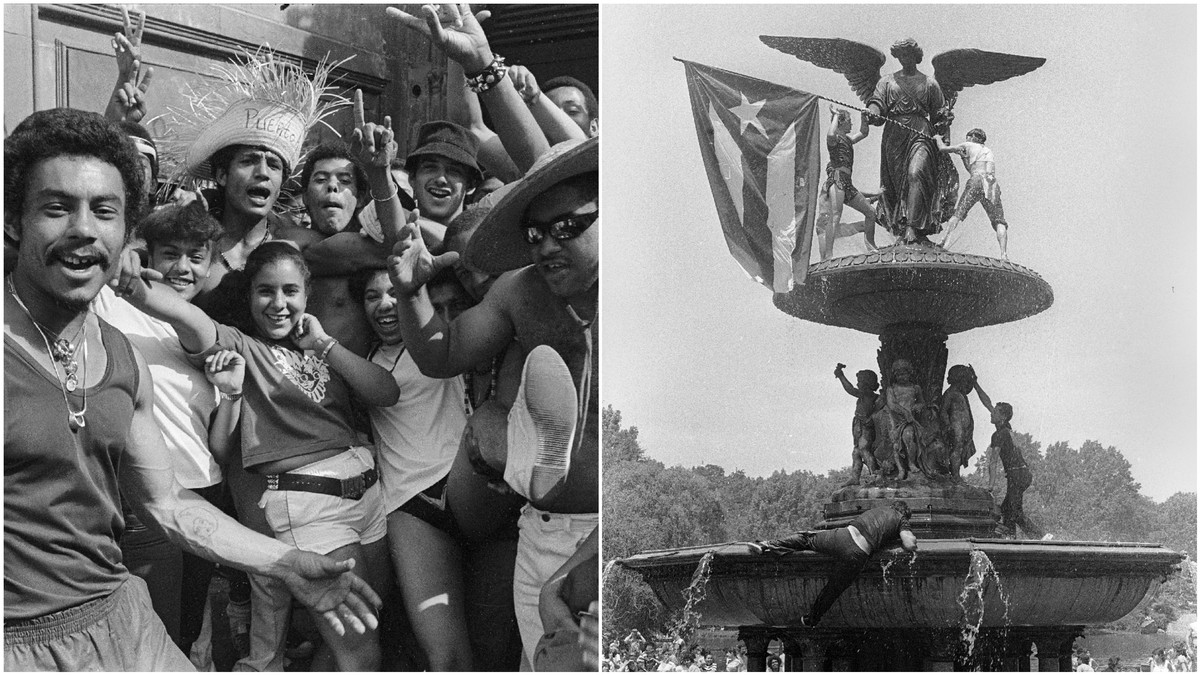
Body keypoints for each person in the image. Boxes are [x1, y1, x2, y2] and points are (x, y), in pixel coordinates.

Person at [2, 106, 381, 671]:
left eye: (104, 210)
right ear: (12, 222)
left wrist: (284, 562)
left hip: (122, 620)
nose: (84, 228)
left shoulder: (119, 354)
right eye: (57, 208)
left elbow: (169, 504)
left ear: (126, 232)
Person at [112, 239, 399, 671]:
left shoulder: (318, 347)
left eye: (290, 291)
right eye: (266, 291)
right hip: (312, 508)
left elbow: (386, 391)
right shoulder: (242, 347)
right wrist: (133, 286)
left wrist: (324, 344)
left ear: (307, 296)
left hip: (367, 496)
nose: (279, 303)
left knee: (352, 634)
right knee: (361, 651)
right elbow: (191, 320)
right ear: (249, 296)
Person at [91, 200, 228, 659]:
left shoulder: (205, 327)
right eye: (171, 253)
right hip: (132, 495)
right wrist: (121, 255)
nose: (183, 267)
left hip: (200, 489)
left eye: (197, 256)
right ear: (150, 254)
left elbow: (195, 329)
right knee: (140, 631)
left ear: (212, 265)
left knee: (183, 629)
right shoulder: (111, 301)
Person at [355, 266, 476, 670]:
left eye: (394, 292)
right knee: (445, 654)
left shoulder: (441, 335)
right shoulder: (364, 358)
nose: (385, 303)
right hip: (410, 506)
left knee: (493, 637)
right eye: (372, 296)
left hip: (467, 484)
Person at [748, 502, 918, 626]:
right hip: (858, 554)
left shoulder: (878, 508)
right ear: (905, 513)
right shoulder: (900, 518)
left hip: (842, 537)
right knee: (834, 588)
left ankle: (767, 545)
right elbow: (909, 544)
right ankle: (811, 619)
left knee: (807, 538)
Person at [867, 38, 946, 243]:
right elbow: (877, 103)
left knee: (916, 173)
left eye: (908, 55)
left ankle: (912, 227)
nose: (904, 59)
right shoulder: (886, 81)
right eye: (901, 55)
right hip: (895, 134)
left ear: (916, 56)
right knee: (895, 185)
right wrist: (873, 112)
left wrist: (945, 118)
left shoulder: (929, 83)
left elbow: (939, 115)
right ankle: (901, 227)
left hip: (921, 131)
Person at [975, 382, 1044, 539]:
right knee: (1009, 509)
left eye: (995, 412)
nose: (991, 413)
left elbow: (993, 461)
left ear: (1003, 416)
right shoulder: (1006, 428)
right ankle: (1012, 536)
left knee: (1014, 511)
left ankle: (1039, 537)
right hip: (1021, 474)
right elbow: (987, 403)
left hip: (1017, 475)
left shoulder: (999, 435)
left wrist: (990, 486)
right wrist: (976, 384)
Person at [936, 128, 1009, 258]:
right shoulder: (988, 151)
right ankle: (1004, 254)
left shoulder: (968, 145)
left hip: (976, 181)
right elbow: (975, 168)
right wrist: (964, 158)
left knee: (958, 213)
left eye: (968, 137)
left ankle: (943, 241)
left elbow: (942, 149)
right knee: (999, 221)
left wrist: (937, 138)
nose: (966, 139)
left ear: (972, 137)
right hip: (991, 183)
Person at [820, 108, 876, 260]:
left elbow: (863, 132)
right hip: (837, 180)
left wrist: (864, 117)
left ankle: (871, 246)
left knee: (871, 213)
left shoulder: (848, 140)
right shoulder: (835, 138)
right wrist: (836, 116)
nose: (851, 125)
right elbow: (830, 134)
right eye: (849, 122)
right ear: (841, 123)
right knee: (835, 216)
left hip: (848, 183)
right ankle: (829, 255)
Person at [835, 362, 880, 486]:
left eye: (859, 381)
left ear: (866, 384)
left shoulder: (867, 395)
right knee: (856, 451)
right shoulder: (867, 396)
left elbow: (849, 389)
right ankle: (855, 477)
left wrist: (841, 376)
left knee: (864, 449)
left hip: (866, 426)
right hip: (858, 425)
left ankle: (874, 475)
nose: (857, 384)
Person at [939, 364, 979, 479]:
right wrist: (948, 425)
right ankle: (955, 475)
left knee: (960, 449)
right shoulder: (950, 393)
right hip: (955, 426)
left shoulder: (961, 394)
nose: (967, 385)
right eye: (965, 381)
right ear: (960, 380)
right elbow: (943, 411)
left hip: (963, 427)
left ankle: (956, 473)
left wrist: (974, 379)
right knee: (957, 449)